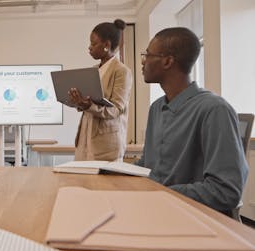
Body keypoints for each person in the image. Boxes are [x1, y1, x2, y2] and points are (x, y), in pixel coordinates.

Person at [135, 27, 248, 215]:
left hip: (195, 218)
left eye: (147, 54)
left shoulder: (214, 110)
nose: (143, 61)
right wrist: (113, 171)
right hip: (160, 209)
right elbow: (148, 164)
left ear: (168, 61)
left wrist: (161, 193)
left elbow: (226, 191)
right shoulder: (156, 108)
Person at [69, 19, 132, 161]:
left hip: (107, 144)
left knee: (102, 183)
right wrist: (79, 102)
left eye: (93, 43)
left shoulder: (121, 71)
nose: (89, 48)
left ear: (106, 45)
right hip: (85, 137)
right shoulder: (93, 70)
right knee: (82, 181)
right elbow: (88, 105)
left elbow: (116, 110)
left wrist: (89, 106)